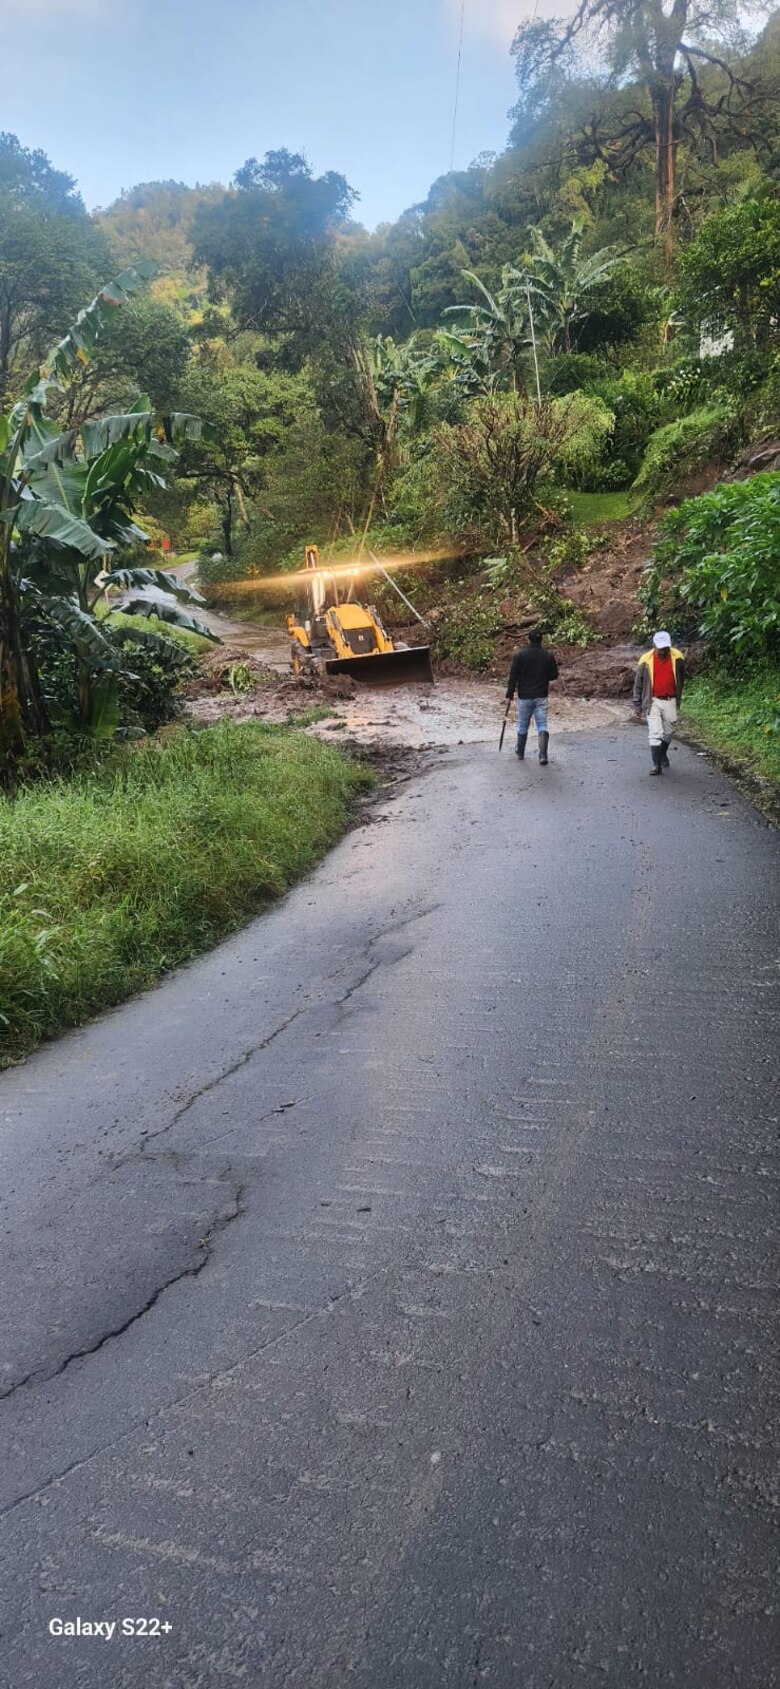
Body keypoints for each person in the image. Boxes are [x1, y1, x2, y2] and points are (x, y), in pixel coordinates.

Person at [632, 630, 685, 775]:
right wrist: (637, 704)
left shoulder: (678, 657)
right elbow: (638, 683)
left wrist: (678, 698)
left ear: (669, 646)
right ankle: (656, 765)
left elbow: (681, 678)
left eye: (665, 648)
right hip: (652, 700)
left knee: (668, 732)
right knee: (655, 732)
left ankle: (662, 754)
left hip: (670, 699)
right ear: (654, 646)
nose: (663, 651)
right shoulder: (645, 660)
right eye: (660, 648)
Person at [504, 628, 559, 765]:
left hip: (524, 696)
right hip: (541, 696)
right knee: (542, 725)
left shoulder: (520, 655)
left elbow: (513, 677)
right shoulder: (547, 656)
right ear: (541, 640)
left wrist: (509, 695)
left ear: (528, 639)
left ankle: (520, 752)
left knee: (523, 724)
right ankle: (543, 755)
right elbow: (554, 676)